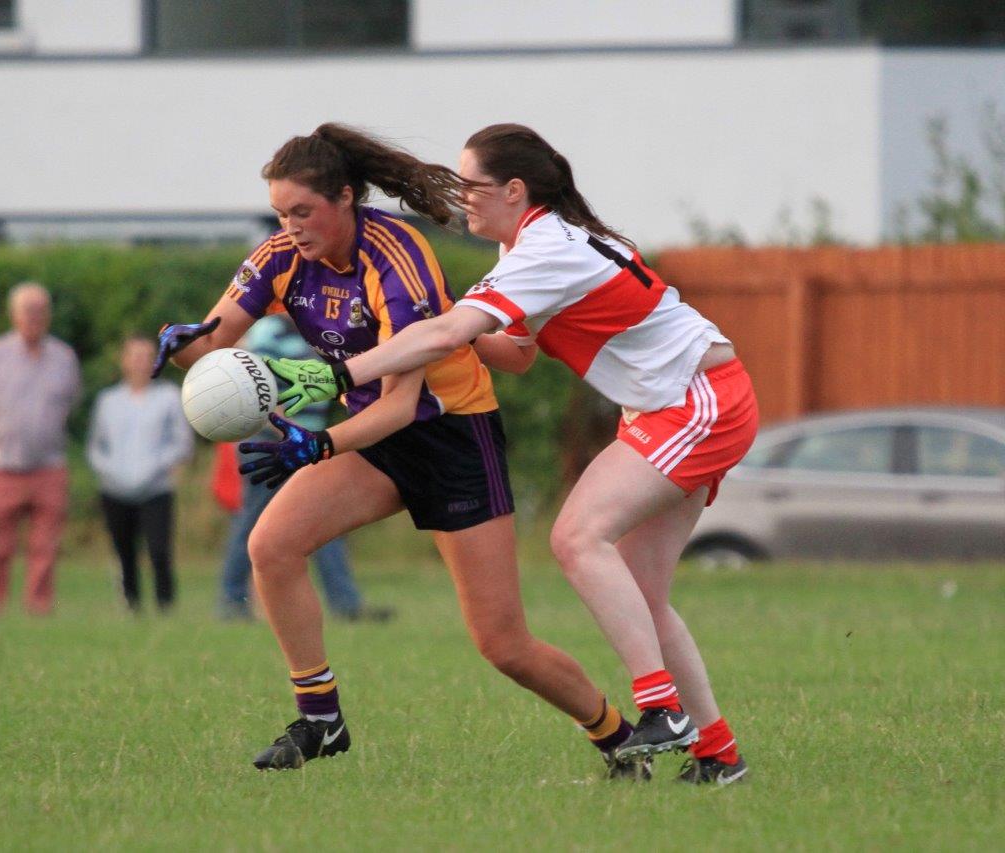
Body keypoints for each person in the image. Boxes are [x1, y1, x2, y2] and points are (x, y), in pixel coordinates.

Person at [269, 123, 759, 785]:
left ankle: (661, 709)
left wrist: (337, 374)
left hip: (697, 401)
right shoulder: (534, 247)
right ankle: (718, 754)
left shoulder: (544, 247)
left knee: (577, 536)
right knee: (642, 592)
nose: (465, 199)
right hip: (679, 403)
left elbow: (448, 333)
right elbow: (516, 354)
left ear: (516, 190)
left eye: (474, 187)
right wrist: (446, 324)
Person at [154, 124, 639, 777]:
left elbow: (400, 405)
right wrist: (180, 343)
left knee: (502, 642)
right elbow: (211, 346)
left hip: (450, 437)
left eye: (303, 211)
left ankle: (617, 735)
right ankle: (321, 716)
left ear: (346, 197)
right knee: (271, 545)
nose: (290, 226)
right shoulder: (279, 256)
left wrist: (317, 444)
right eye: (280, 213)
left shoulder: (396, 257)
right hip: (372, 439)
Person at [216, 314, 391, 623]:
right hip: (271, 441)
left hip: (306, 444)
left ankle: (346, 604)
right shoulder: (269, 330)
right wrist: (291, 430)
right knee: (252, 523)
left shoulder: (322, 334)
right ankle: (231, 601)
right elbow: (253, 383)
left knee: (324, 521)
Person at [0, 283, 82, 616]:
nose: (35, 317)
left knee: (45, 546)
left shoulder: (64, 356)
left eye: (41, 310)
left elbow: (71, 404)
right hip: (2, 465)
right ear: (13, 314)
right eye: (28, 310)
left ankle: (39, 608)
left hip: (49, 465)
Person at [86, 335, 194, 613]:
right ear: (124, 361)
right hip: (115, 489)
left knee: (159, 550)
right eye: (135, 356)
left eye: (147, 356)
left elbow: (181, 442)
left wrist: (156, 467)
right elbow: (96, 447)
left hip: (156, 487)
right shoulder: (108, 400)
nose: (140, 363)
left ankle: (165, 605)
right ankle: (131, 604)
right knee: (124, 550)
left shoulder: (169, 397)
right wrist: (112, 472)